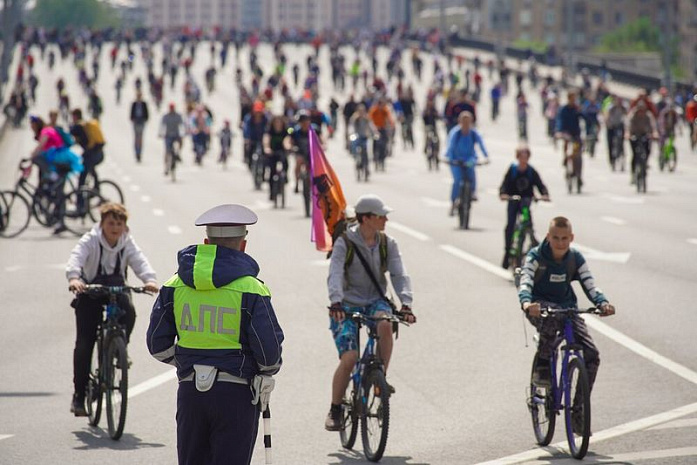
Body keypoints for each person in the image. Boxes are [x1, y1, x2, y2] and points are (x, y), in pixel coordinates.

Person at [146, 204, 284, 465]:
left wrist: (188, 362)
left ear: (207, 242)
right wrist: (267, 371)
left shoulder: (173, 285)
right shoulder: (252, 288)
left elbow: (157, 344)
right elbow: (269, 353)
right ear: (243, 245)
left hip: (190, 392)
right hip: (237, 394)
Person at [325, 195, 416, 431]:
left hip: (375, 301)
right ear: (365, 219)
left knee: (386, 324)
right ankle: (335, 408)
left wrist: (406, 304)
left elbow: (399, 274)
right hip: (346, 304)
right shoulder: (345, 242)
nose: (386, 219)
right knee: (350, 358)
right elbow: (334, 272)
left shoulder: (388, 243)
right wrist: (335, 301)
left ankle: (379, 378)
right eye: (381, 216)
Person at [518, 217, 615, 430]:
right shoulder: (536, 256)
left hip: (567, 308)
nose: (560, 243)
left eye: (564, 238)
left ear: (571, 238)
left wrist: (603, 302)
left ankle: (579, 411)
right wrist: (527, 303)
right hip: (540, 306)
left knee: (592, 355)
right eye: (555, 238)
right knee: (551, 322)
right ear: (548, 237)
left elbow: (590, 284)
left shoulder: (575, 258)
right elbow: (525, 280)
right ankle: (543, 364)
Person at [67, 203, 158, 416]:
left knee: (130, 312)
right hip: (90, 290)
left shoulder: (127, 243)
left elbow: (140, 262)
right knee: (84, 343)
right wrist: (74, 278)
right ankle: (79, 396)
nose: (115, 227)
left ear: (125, 227)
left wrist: (150, 280)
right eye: (111, 223)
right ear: (102, 224)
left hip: (115, 289)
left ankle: (119, 348)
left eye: (119, 223)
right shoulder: (90, 240)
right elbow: (76, 258)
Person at [499, 147, 550, 269]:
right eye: (521, 156)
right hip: (513, 202)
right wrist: (504, 195)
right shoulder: (512, 170)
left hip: (526, 202)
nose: (523, 159)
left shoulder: (531, 171)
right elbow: (504, 186)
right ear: (517, 157)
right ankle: (507, 253)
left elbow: (540, 185)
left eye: (526, 156)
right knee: (510, 226)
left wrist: (544, 195)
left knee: (528, 224)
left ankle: (534, 248)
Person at [445, 111, 489, 215]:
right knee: (458, 180)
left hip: (469, 159)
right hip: (456, 160)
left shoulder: (473, 133)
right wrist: (450, 159)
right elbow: (450, 147)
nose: (466, 124)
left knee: (471, 174)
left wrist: (486, 156)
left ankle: (472, 192)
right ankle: (453, 201)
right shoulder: (455, 133)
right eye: (463, 121)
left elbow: (481, 144)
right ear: (460, 121)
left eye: (468, 121)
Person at [159, 102, 185, 175]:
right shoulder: (166, 116)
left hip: (176, 135)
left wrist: (182, 134)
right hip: (168, 135)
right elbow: (162, 125)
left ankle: (178, 154)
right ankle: (166, 166)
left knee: (180, 142)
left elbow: (182, 125)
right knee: (167, 151)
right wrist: (160, 134)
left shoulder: (178, 116)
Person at [130, 90, 149, 162]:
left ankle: (140, 152)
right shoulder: (134, 104)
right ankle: (136, 152)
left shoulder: (144, 104)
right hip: (135, 121)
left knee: (140, 138)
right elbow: (131, 113)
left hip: (142, 121)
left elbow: (146, 113)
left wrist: (145, 119)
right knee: (136, 138)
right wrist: (133, 119)